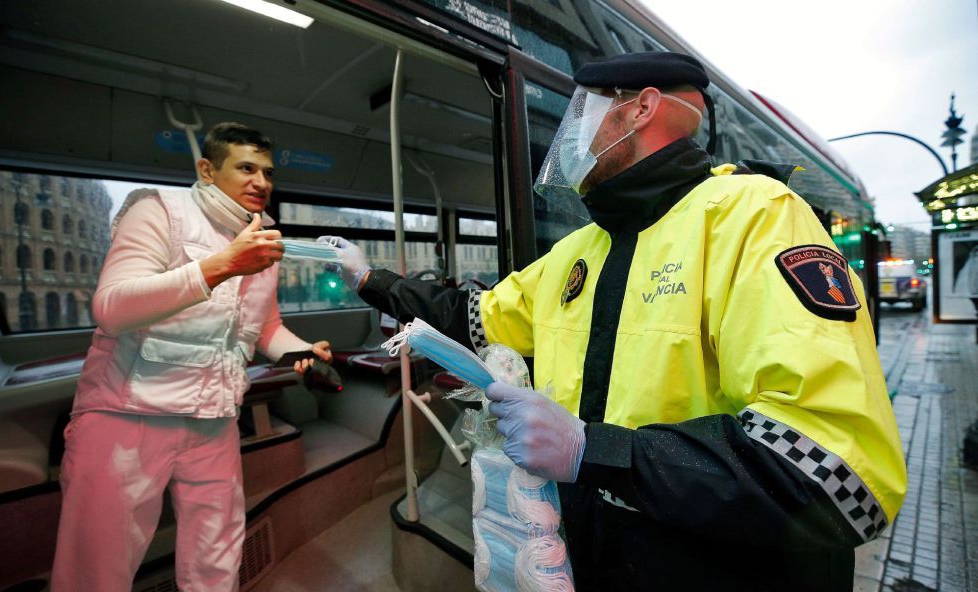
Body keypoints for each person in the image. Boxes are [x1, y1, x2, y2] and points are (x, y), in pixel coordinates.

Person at [322, 52, 906, 591]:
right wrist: (372, 282)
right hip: (590, 558)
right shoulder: (581, 249)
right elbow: (479, 319)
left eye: (584, 113)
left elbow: (838, 473)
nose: (571, 135)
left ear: (641, 109)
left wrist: (590, 450)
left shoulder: (753, 217)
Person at [51, 122, 331, 592]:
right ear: (206, 169)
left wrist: (299, 350)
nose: (261, 182)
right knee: (95, 566)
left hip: (212, 419)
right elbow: (112, 307)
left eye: (267, 172)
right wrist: (222, 265)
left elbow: (264, 326)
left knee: (218, 555)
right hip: (127, 413)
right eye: (246, 168)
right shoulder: (159, 211)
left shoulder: (263, 241)